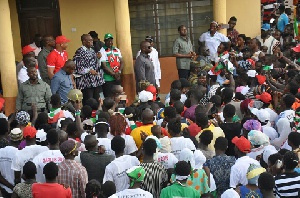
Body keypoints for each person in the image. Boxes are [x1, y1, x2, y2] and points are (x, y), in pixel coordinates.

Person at [73, 34, 104, 104]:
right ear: (84, 42)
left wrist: (98, 59)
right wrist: (89, 71)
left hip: (95, 82)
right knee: (89, 102)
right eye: (89, 40)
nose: (92, 42)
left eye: (92, 40)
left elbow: (96, 65)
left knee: (98, 101)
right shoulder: (79, 52)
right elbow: (77, 67)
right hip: (86, 83)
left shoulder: (92, 51)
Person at [99, 33, 124, 97]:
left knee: (119, 95)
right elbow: (104, 66)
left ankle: (119, 107)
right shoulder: (102, 51)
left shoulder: (116, 50)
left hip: (117, 76)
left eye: (111, 40)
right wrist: (114, 74)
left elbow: (122, 62)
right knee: (109, 96)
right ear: (104, 41)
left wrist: (119, 72)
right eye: (108, 40)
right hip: (108, 78)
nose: (110, 42)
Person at [0, 128, 23, 197]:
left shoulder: (0, 151)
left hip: (3, 190)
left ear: (9, 138)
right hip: (16, 192)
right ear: (21, 140)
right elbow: (18, 177)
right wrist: (14, 189)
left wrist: (9, 187)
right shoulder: (20, 154)